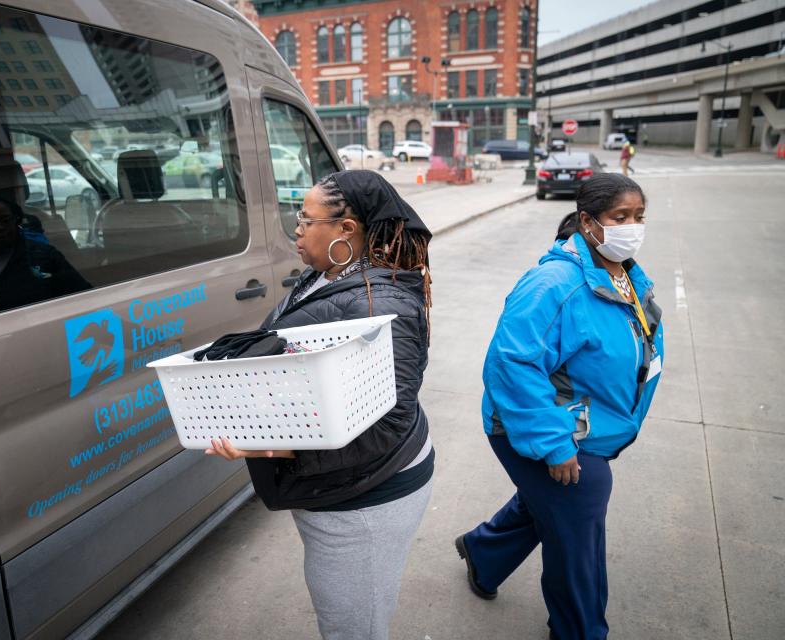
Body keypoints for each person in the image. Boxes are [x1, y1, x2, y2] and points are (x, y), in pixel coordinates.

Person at [204, 170, 434, 640]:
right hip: (336, 483)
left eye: (307, 219)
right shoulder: (326, 276)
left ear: (346, 229)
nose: (297, 228)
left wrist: (276, 449)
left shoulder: (378, 303)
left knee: (353, 628)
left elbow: (386, 424)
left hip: (367, 495)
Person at [453, 173, 664, 640]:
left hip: (595, 426)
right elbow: (512, 364)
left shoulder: (623, 270)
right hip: (546, 431)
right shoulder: (553, 284)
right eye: (620, 217)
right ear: (588, 222)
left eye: (639, 217)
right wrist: (554, 445)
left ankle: (483, 553)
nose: (633, 227)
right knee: (578, 534)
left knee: (550, 506)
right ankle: (580, 630)